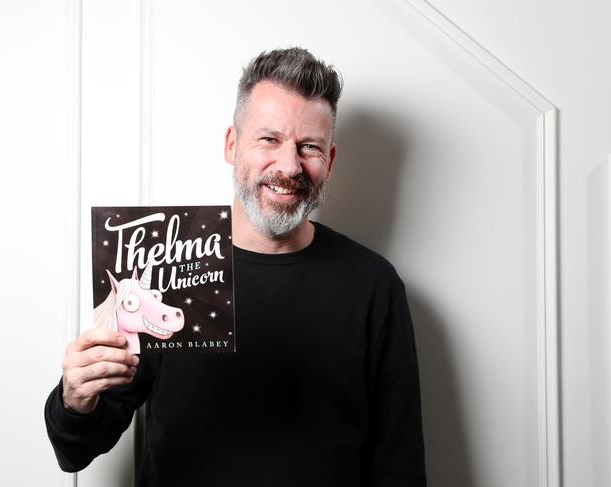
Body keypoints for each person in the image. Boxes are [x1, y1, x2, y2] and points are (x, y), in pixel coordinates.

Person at [45, 47, 426, 486]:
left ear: (330, 161)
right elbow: (75, 450)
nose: (289, 166)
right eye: (269, 139)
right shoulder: (162, 269)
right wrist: (75, 399)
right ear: (232, 144)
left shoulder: (373, 285)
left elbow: (400, 466)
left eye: (309, 147)